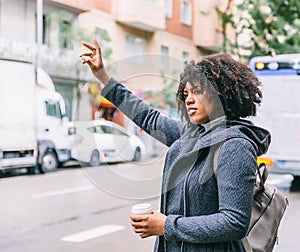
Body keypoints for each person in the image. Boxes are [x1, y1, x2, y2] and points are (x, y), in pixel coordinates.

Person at [80, 39, 271, 252]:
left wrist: (166, 225)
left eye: (197, 91)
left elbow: (234, 222)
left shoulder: (235, 145)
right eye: (186, 93)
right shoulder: (190, 134)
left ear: (221, 94)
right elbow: (148, 117)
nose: (188, 99)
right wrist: (103, 76)